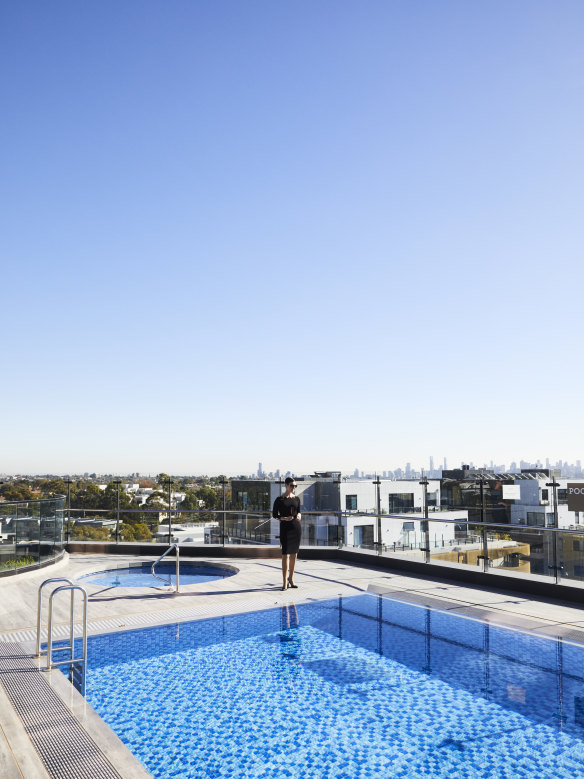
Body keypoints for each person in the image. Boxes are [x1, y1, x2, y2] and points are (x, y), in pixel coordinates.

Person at [272, 477, 302, 590]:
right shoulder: (279, 500)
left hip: (296, 528)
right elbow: (275, 515)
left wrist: (299, 515)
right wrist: (284, 518)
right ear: (286, 485)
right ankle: (285, 581)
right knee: (285, 555)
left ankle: (291, 579)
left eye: (295, 486)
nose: (294, 487)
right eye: (292, 485)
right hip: (285, 528)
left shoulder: (297, 499)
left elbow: (299, 511)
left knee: (294, 554)